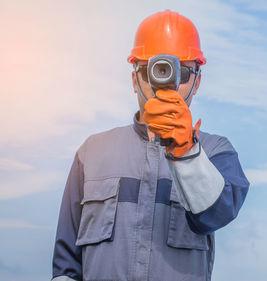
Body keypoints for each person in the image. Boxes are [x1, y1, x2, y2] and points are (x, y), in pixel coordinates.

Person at [51, 10, 249, 281]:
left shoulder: (216, 152)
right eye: (152, 69)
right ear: (135, 79)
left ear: (197, 81)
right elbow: (65, 267)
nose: (166, 81)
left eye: (182, 72)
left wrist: (187, 152)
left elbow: (217, 214)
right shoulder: (91, 153)